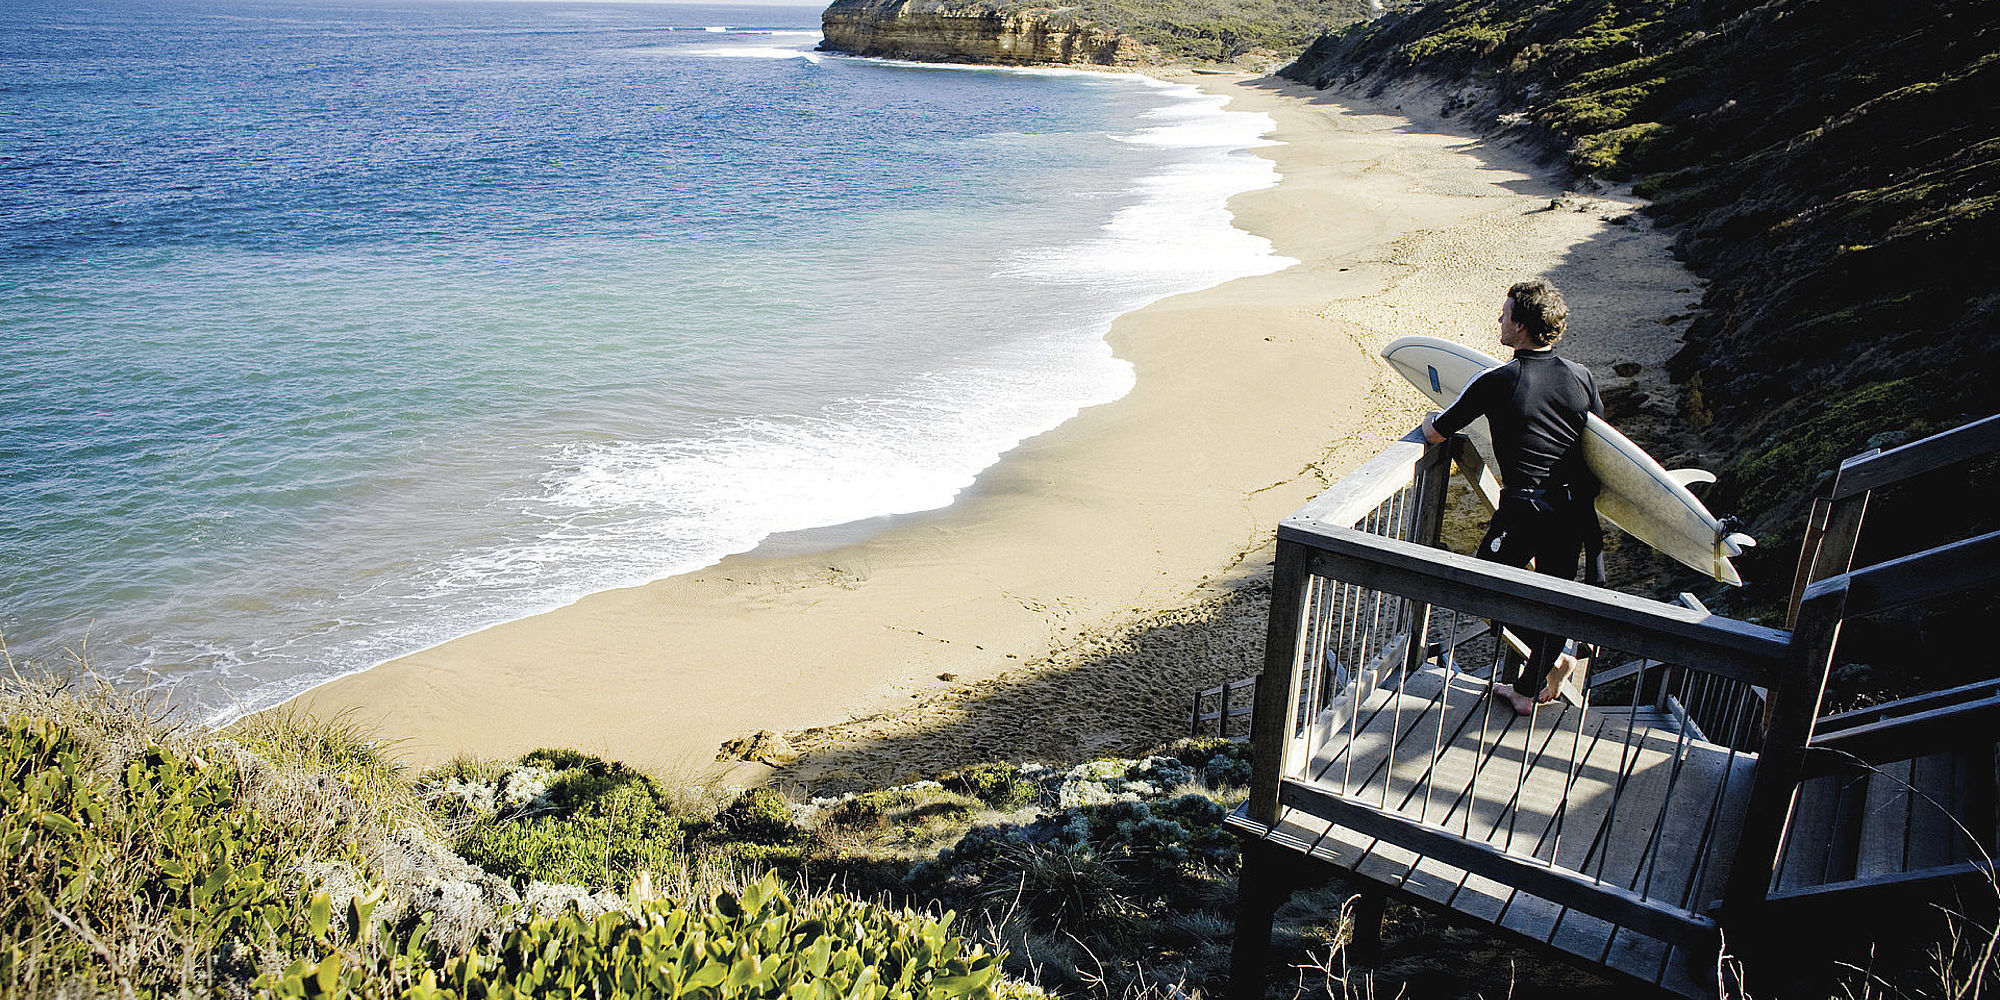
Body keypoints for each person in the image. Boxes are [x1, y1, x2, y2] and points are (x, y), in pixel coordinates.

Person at [1422, 278, 1605, 715]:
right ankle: (1530, 684)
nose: (1499, 320)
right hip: (1571, 509)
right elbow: (1602, 447)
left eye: (1504, 314)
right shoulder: (1582, 377)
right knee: (1553, 594)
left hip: (1525, 510)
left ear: (1521, 326)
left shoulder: (1500, 379)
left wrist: (1432, 416)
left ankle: (1551, 658)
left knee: (1482, 585)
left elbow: (1438, 430)